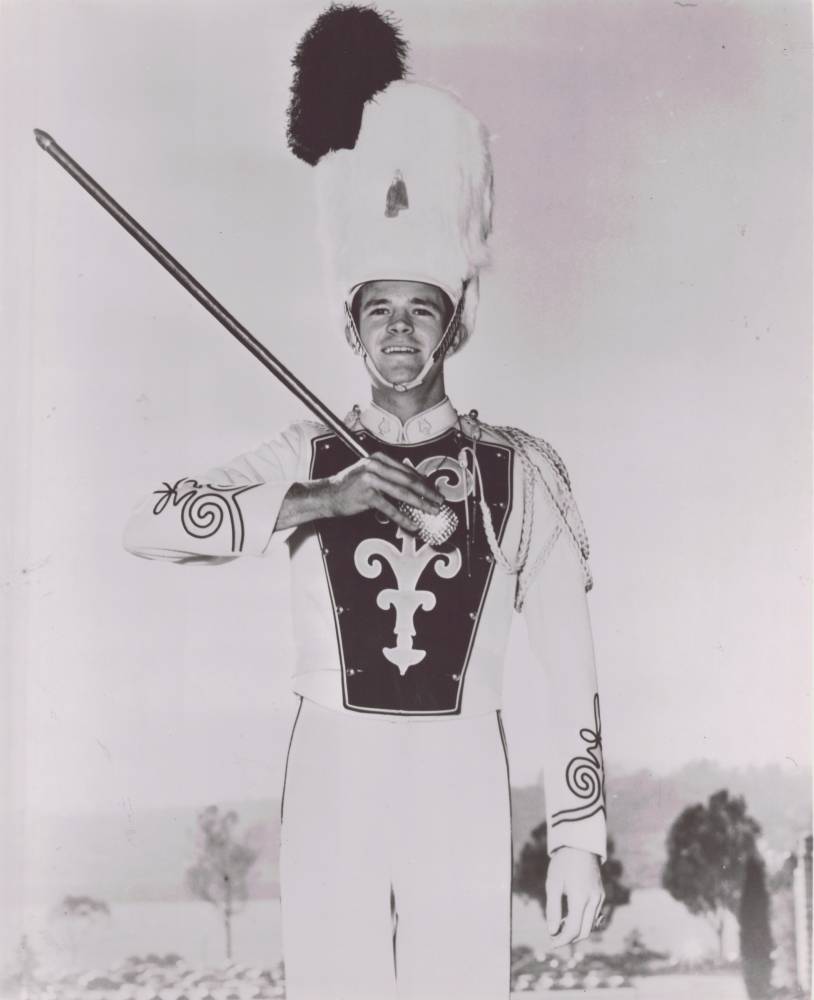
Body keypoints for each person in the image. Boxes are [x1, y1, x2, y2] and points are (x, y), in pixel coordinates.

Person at [123, 7, 607, 999]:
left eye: (419, 310)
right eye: (378, 310)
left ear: (452, 327)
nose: (398, 333)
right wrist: (316, 498)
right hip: (332, 775)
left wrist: (576, 839)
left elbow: (570, 677)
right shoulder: (306, 450)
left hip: (465, 775)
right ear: (351, 327)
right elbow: (149, 522)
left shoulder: (522, 477)